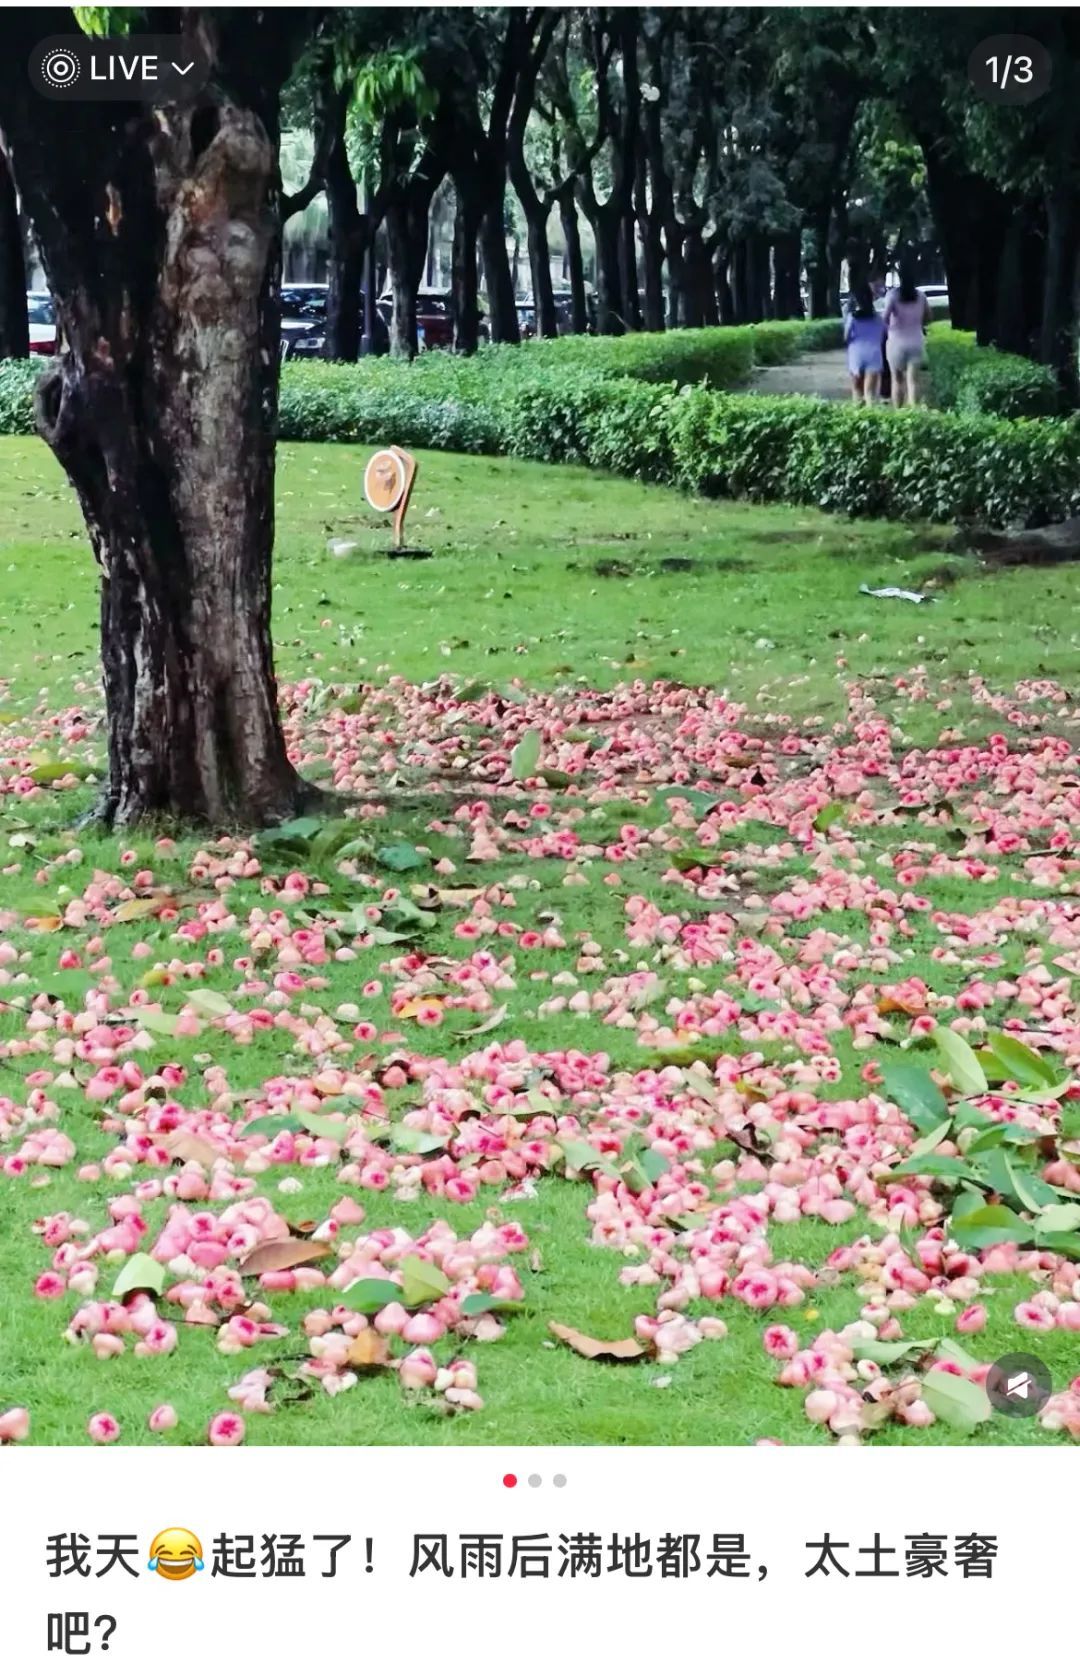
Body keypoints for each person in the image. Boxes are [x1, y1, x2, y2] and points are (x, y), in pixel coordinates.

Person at [883, 269, 931, 408]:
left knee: (897, 380)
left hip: (896, 343)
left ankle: (898, 412)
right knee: (913, 381)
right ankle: (913, 412)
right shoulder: (921, 296)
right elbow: (929, 316)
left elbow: (885, 318)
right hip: (916, 342)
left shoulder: (892, 295)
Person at [843, 283, 885, 405]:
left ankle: (857, 418)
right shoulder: (878, 318)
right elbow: (882, 335)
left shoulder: (852, 318)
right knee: (870, 393)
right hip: (874, 354)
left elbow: (846, 337)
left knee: (856, 390)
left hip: (856, 354)